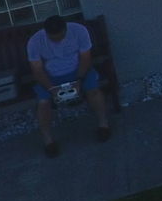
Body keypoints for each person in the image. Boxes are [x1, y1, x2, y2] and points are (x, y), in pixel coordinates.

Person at [27, 14, 110, 157]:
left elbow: (85, 58)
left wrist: (79, 80)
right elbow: (37, 69)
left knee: (93, 90)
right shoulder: (35, 41)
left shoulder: (79, 31)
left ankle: (103, 124)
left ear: (65, 29)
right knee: (43, 102)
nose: (57, 40)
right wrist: (52, 89)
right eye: (53, 38)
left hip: (78, 70)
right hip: (50, 76)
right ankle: (48, 141)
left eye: (60, 36)